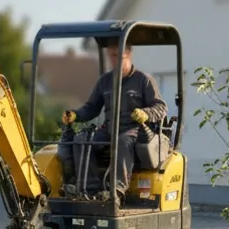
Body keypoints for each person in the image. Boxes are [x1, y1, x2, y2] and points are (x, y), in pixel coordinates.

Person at [59, 37, 167, 201]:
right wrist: (76, 114)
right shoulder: (105, 81)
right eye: (111, 55)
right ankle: (89, 189)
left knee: (122, 141)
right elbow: (91, 108)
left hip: (134, 130)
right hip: (109, 129)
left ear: (128, 53)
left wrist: (145, 113)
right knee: (81, 139)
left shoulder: (144, 80)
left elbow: (161, 108)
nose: (113, 60)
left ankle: (117, 190)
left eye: (117, 55)